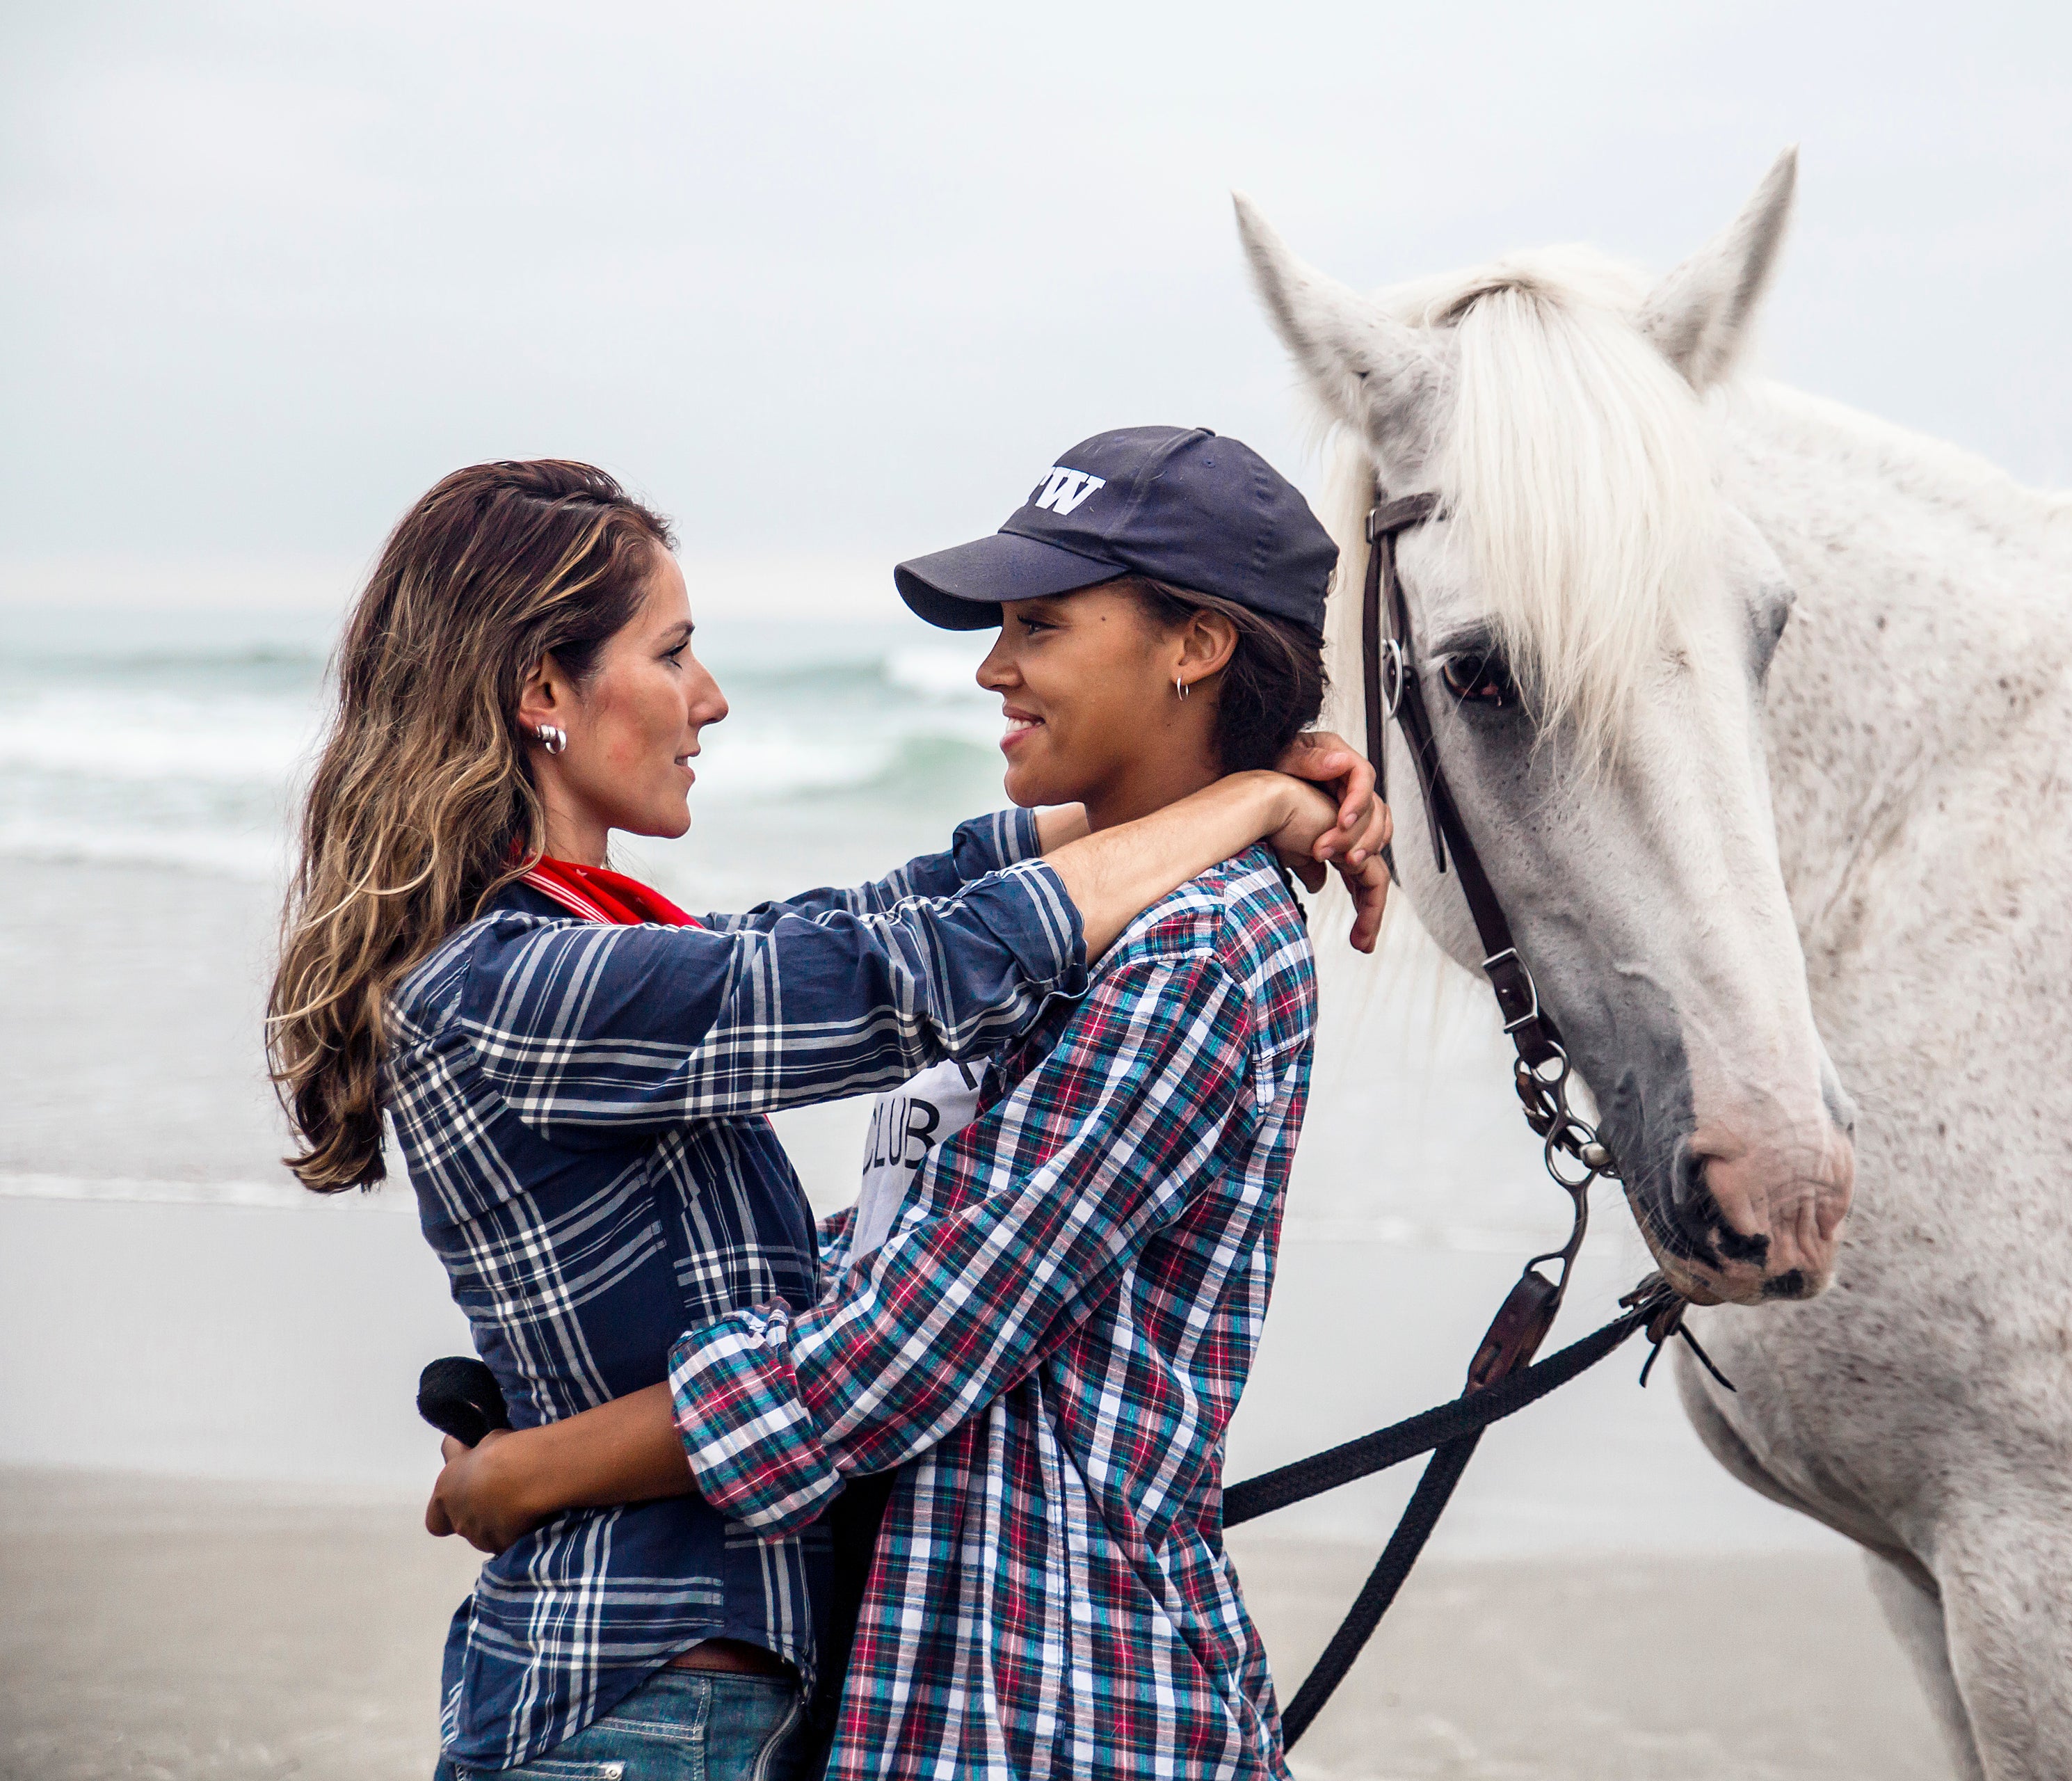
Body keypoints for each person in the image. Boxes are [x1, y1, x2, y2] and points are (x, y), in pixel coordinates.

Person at [266, 456, 1389, 1780]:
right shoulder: (519, 984)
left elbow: (887, 927)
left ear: (1195, 648)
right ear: (541, 694)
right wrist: (1247, 798)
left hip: (721, 1690)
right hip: (641, 1686)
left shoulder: (603, 945)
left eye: (1038, 625)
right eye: (673, 653)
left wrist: (538, 1466)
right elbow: (902, 971)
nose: (711, 696)